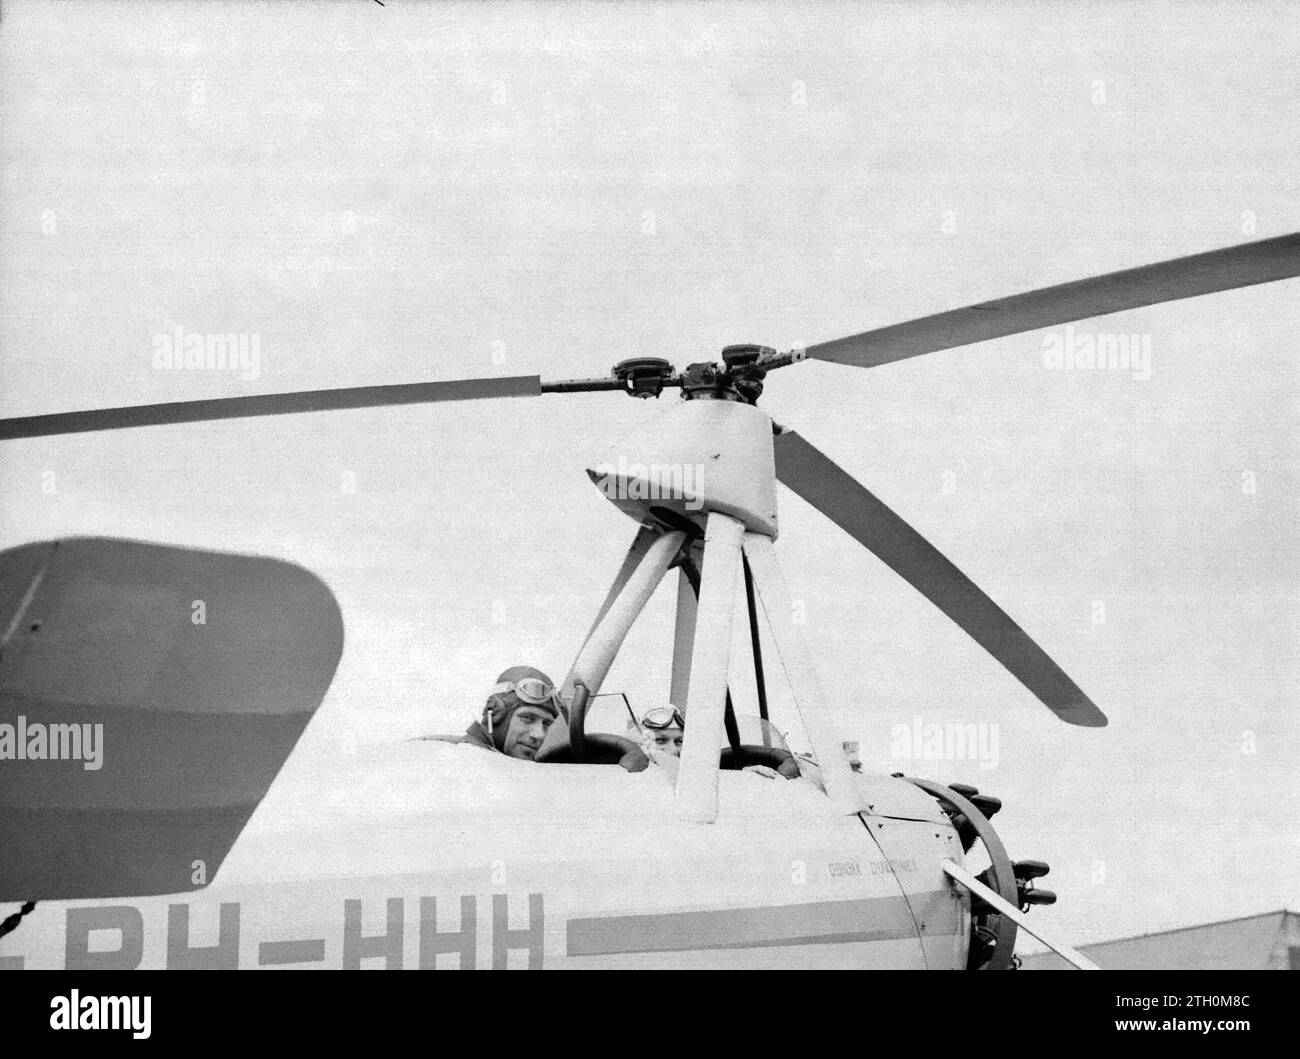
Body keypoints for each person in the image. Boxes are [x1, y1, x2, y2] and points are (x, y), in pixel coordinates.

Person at [458, 665, 562, 760]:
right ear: (495, 716)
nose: (539, 735)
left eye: (546, 724)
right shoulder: (464, 760)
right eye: (527, 718)